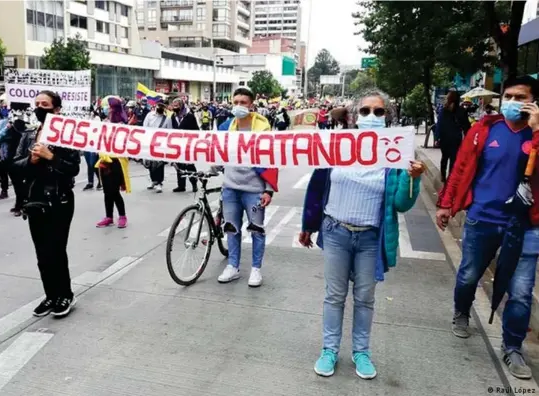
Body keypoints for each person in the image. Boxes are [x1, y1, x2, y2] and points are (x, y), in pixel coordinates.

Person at [301, 90, 424, 380]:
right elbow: (318, 187)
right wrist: (308, 225)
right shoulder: (336, 146)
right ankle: (329, 350)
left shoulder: (396, 153)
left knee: (365, 298)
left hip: (370, 238)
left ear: (388, 117)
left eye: (379, 112)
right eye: (365, 111)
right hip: (335, 233)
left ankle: (361, 352)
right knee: (334, 296)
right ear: (354, 117)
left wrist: (412, 180)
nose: (371, 116)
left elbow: (400, 204)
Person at [436, 76, 539, 380]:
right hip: (483, 218)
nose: (512, 102)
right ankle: (462, 311)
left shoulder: (536, 134)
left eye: (520, 97)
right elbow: (462, 168)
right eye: (508, 96)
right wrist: (446, 203)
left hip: (526, 226)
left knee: (520, 293)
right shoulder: (485, 130)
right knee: (468, 274)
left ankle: (513, 347)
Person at [13, 90, 80, 318]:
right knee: (42, 252)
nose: (41, 108)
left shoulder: (67, 134)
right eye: (38, 104)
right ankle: (50, 295)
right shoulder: (30, 133)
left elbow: (73, 168)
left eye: (46, 104)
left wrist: (51, 156)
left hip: (59, 199)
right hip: (34, 200)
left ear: (57, 109)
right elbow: (14, 164)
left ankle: (65, 295)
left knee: (56, 250)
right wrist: (30, 160)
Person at [213, 87, 275, 288]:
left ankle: (256, 269)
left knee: (257, 230)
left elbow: (271, 159)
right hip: (230, 188)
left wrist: (268, 189)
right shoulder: (225, 127)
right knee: (231, 229)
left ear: (252, 104)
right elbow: (217, 152)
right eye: (236, 101)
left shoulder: (263, 129)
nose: (239, 106)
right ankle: (233, 266)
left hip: (254, 190)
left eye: (243, 102)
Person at [96, 97, 131, 228]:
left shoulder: (121, 125)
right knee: (106, 191)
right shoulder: (104, 122)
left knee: (114, 191)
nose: (106, 109)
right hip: (104, 160)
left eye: (109, 107)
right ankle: (109, 216)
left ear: (114, 109)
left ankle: (122, 216)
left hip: (117, 161)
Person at [436, 91, 471, 182]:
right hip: (456, 138)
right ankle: (450, 177)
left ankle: (443, 176)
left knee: (444, 157)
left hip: (444, 138)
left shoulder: (443, 110)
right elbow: (466, 126)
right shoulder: (461, 111)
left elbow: (439, 125)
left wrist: (437, 138)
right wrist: (468, 139)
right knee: (453, 158)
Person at [142, 99, 172, 192]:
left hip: (160, 144)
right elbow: (144, 127)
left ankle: (159, 182)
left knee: (159, 164)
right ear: (156, 105)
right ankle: (153, 180)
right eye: (159, 105)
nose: (160, 108)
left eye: (163, 106)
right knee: (150, 164)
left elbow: (169, 131)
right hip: (150, 142)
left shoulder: (167, 118)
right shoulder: (149, 115)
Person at [170, 98, 199, 192]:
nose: (175, 108)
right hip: (177, 145)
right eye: (174, 106)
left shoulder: (189, 116)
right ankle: (181, 185)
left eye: (177, 106)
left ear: (181, 105)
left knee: (189, 165)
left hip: (188, 145)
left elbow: (196, 130)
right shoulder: (173, 117)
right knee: (179, 166)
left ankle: (194, 183)